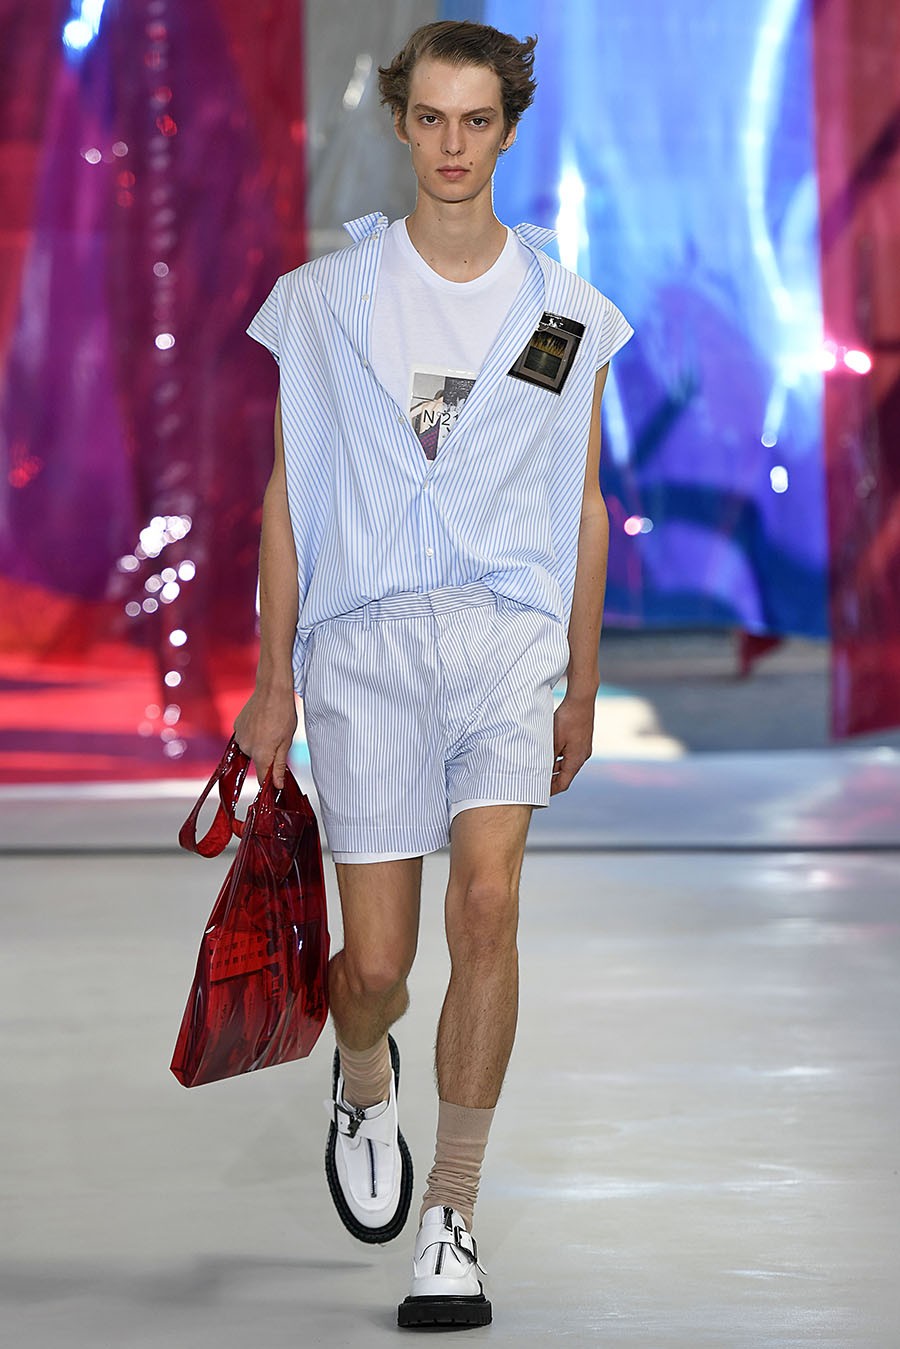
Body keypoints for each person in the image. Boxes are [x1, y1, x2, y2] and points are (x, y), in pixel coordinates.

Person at [234, 18, 632, 1330]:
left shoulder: (565, 314)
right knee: (376, 966)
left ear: (507, 132)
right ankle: (364, 1072)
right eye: (433, 119)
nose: (454, 145)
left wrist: (580, 681)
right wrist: (274, 682)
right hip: (364, 648)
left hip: (507, 642)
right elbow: (289, 495)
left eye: (478, 121)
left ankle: (450, 1216)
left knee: (490, 902)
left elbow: (582, 507)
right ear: (402, 123)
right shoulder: (325, 302)